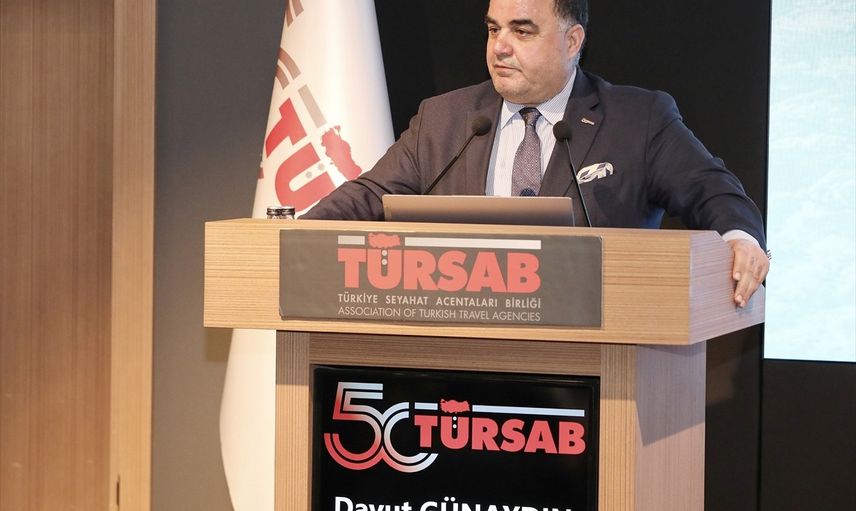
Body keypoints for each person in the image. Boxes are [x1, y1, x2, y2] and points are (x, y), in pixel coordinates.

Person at [302, 0, 769, 307]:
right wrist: (292, 238)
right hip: (459, 362)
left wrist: (741, 237)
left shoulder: (637, 120)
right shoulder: (445, 120)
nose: (500, 47)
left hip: (598, 364)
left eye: (522, 32)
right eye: (493, 29)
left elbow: (712, 190)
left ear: (572, 41)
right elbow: (369, 195)